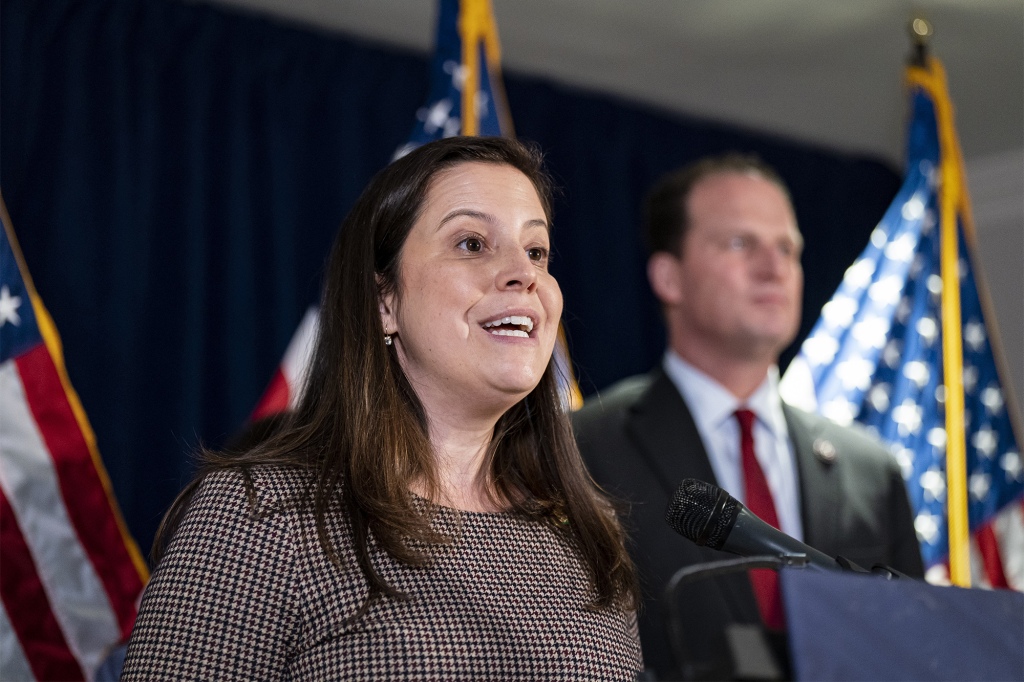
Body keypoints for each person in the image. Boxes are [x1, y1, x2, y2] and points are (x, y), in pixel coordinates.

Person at [122, 136, 642, 680]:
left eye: (536, 251)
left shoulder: (587, 535)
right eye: (471, 244)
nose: (523, 273)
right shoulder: (262, 515)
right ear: (384, 302)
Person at [572, 154, 923, 680]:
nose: (773, 266)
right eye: (741, 243)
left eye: (787, 248)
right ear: (669, 277)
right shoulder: (583, 448)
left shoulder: (869, 470)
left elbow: (913, 647)